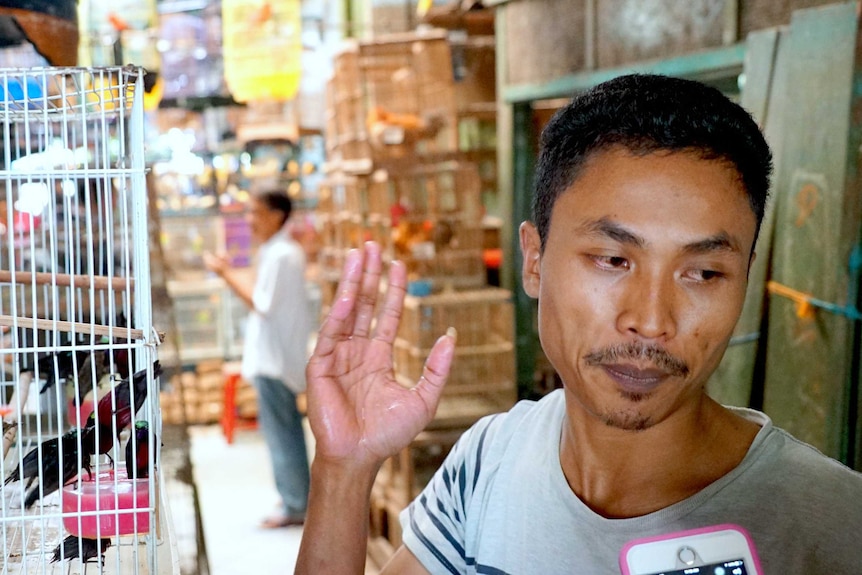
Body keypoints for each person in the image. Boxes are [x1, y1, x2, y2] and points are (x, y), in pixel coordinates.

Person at [294, 74, 862, 573]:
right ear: (534, 260)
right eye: (613, 261)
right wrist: (345, 470)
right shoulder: (490, 461)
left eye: (705, 272)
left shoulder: (832, 525)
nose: (650, 320)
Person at [205, 190, 312, 529]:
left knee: (283, 435)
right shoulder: (276, 252)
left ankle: (296, 503)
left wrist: (224, 274)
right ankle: (294, 495)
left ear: (277, 215)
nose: (249, 220)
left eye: (256, 212)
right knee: (284, 432)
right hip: (275, 357)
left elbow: (261, 303)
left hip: (276, 360)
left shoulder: (282, 255)